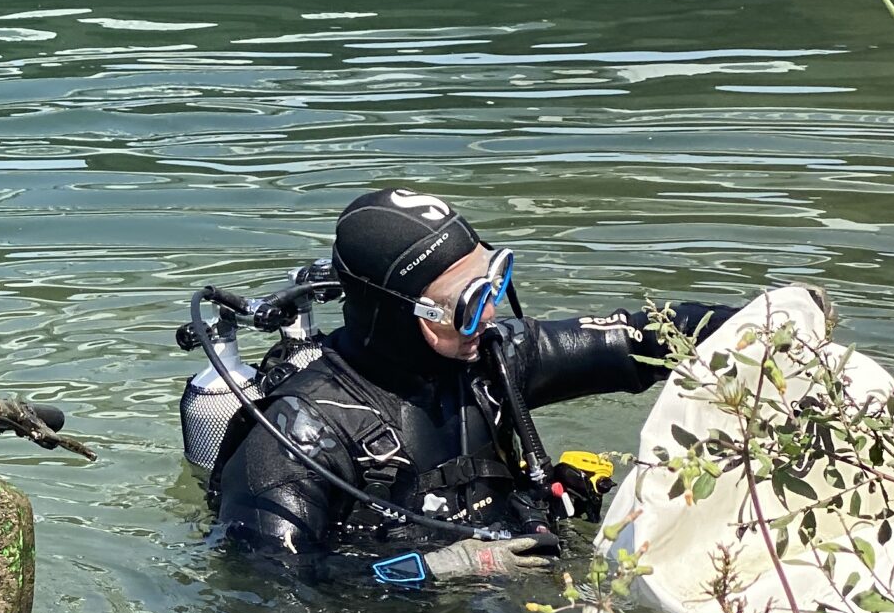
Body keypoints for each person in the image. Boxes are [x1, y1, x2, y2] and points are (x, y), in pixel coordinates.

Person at [209, 187, 739, 585]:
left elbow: (640, 339)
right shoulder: (294, 436)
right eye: (465, 304)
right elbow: (266, 583)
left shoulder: (492, 360)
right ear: (395, 314)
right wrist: (446, 567)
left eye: (494, 283)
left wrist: (770, 329)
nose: (488, 315)